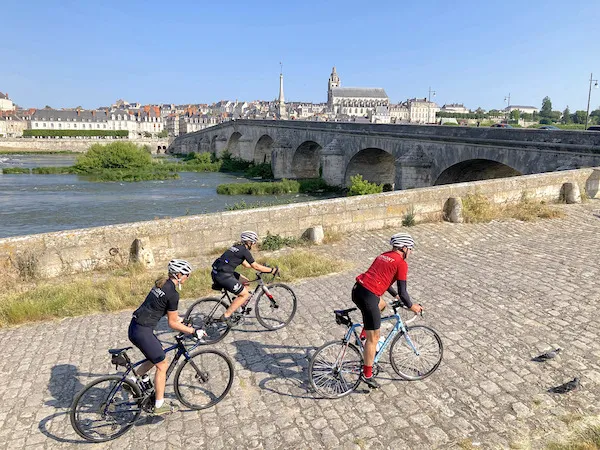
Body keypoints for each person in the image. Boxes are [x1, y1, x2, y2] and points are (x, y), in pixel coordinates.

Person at [128, 259, 204, 415]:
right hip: (143, 331)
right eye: (186, 275)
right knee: (162, 364)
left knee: (156, 353)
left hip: (135, 327)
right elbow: (172, 323)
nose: (187, 278)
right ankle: (159, 405)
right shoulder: (173, 293)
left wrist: (183, 322)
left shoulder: (161, 285)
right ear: (178, 275)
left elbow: (167, 313)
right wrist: (193, 331)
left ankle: (133, 380)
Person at [352, 233, 423, 389]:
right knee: (374, 338)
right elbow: (404, 293)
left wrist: (394, 295)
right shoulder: (401, 263)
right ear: (404, 248)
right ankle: (367, 375)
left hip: (358, 290)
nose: (410, 252)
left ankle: (363, 335)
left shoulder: (384, 256)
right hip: (369, 297)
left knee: (382, 304)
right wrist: (413, 306)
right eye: (410, 249)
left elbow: (385, 278)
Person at [211, 231, 276, 326]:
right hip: (224, 276)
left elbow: (247, 265)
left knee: (245, 281)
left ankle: (240, 306)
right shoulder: (244, 251)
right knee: (244, 295)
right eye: (254, 243)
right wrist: (272, 270)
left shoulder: (236, 247)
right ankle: (226, 315)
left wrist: (261, 266)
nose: (254, 245)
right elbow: (256, 267)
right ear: (249, 242)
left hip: (218, 272)